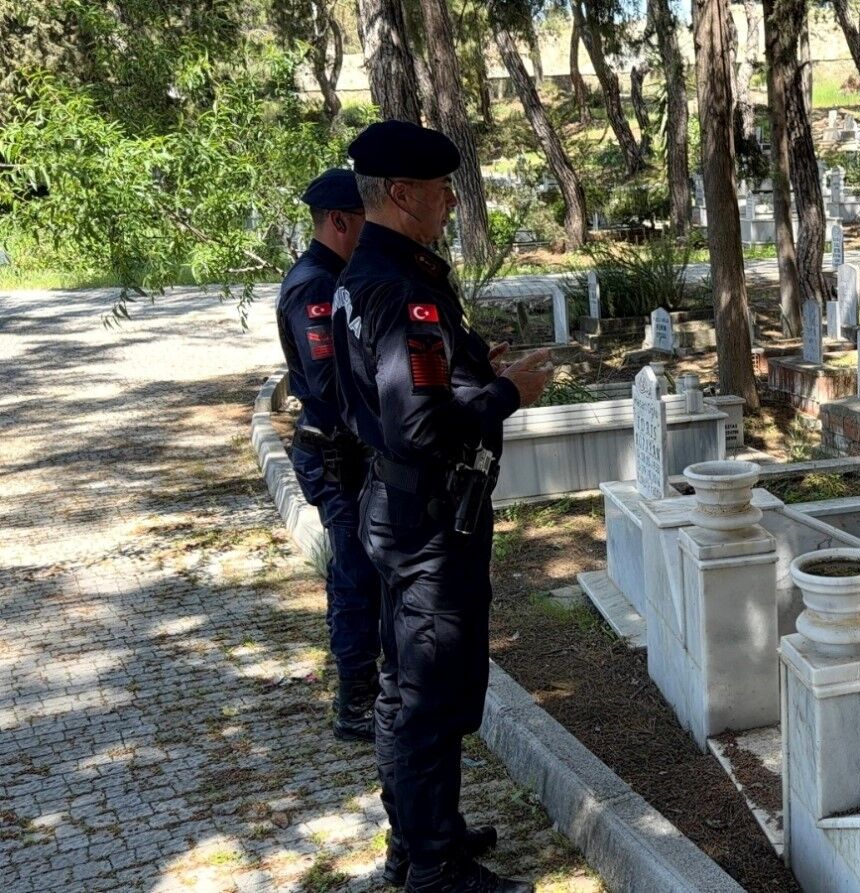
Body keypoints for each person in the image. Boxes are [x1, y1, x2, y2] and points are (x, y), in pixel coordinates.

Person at [331, 120, 552, 893]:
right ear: (399, 194)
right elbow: (418, 424)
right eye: (437, 190)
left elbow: (392, 391)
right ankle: (434, 866)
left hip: (400, 508)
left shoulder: (376, 274)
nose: (449, 201)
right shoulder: (400, 289)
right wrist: (505, 393)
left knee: (409, 686)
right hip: (426, 520)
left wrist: (465, 371)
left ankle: (422, 833)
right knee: (427, 695)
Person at [275, 169, 381, 743]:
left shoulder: (340, 276)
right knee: (354, 576)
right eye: (366, 218)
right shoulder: (315, 285)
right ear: (341, 221)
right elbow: (327, 380)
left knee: (370, 571)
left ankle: (376, 689)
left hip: (354, 453)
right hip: (336, 455)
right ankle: (355, 702)